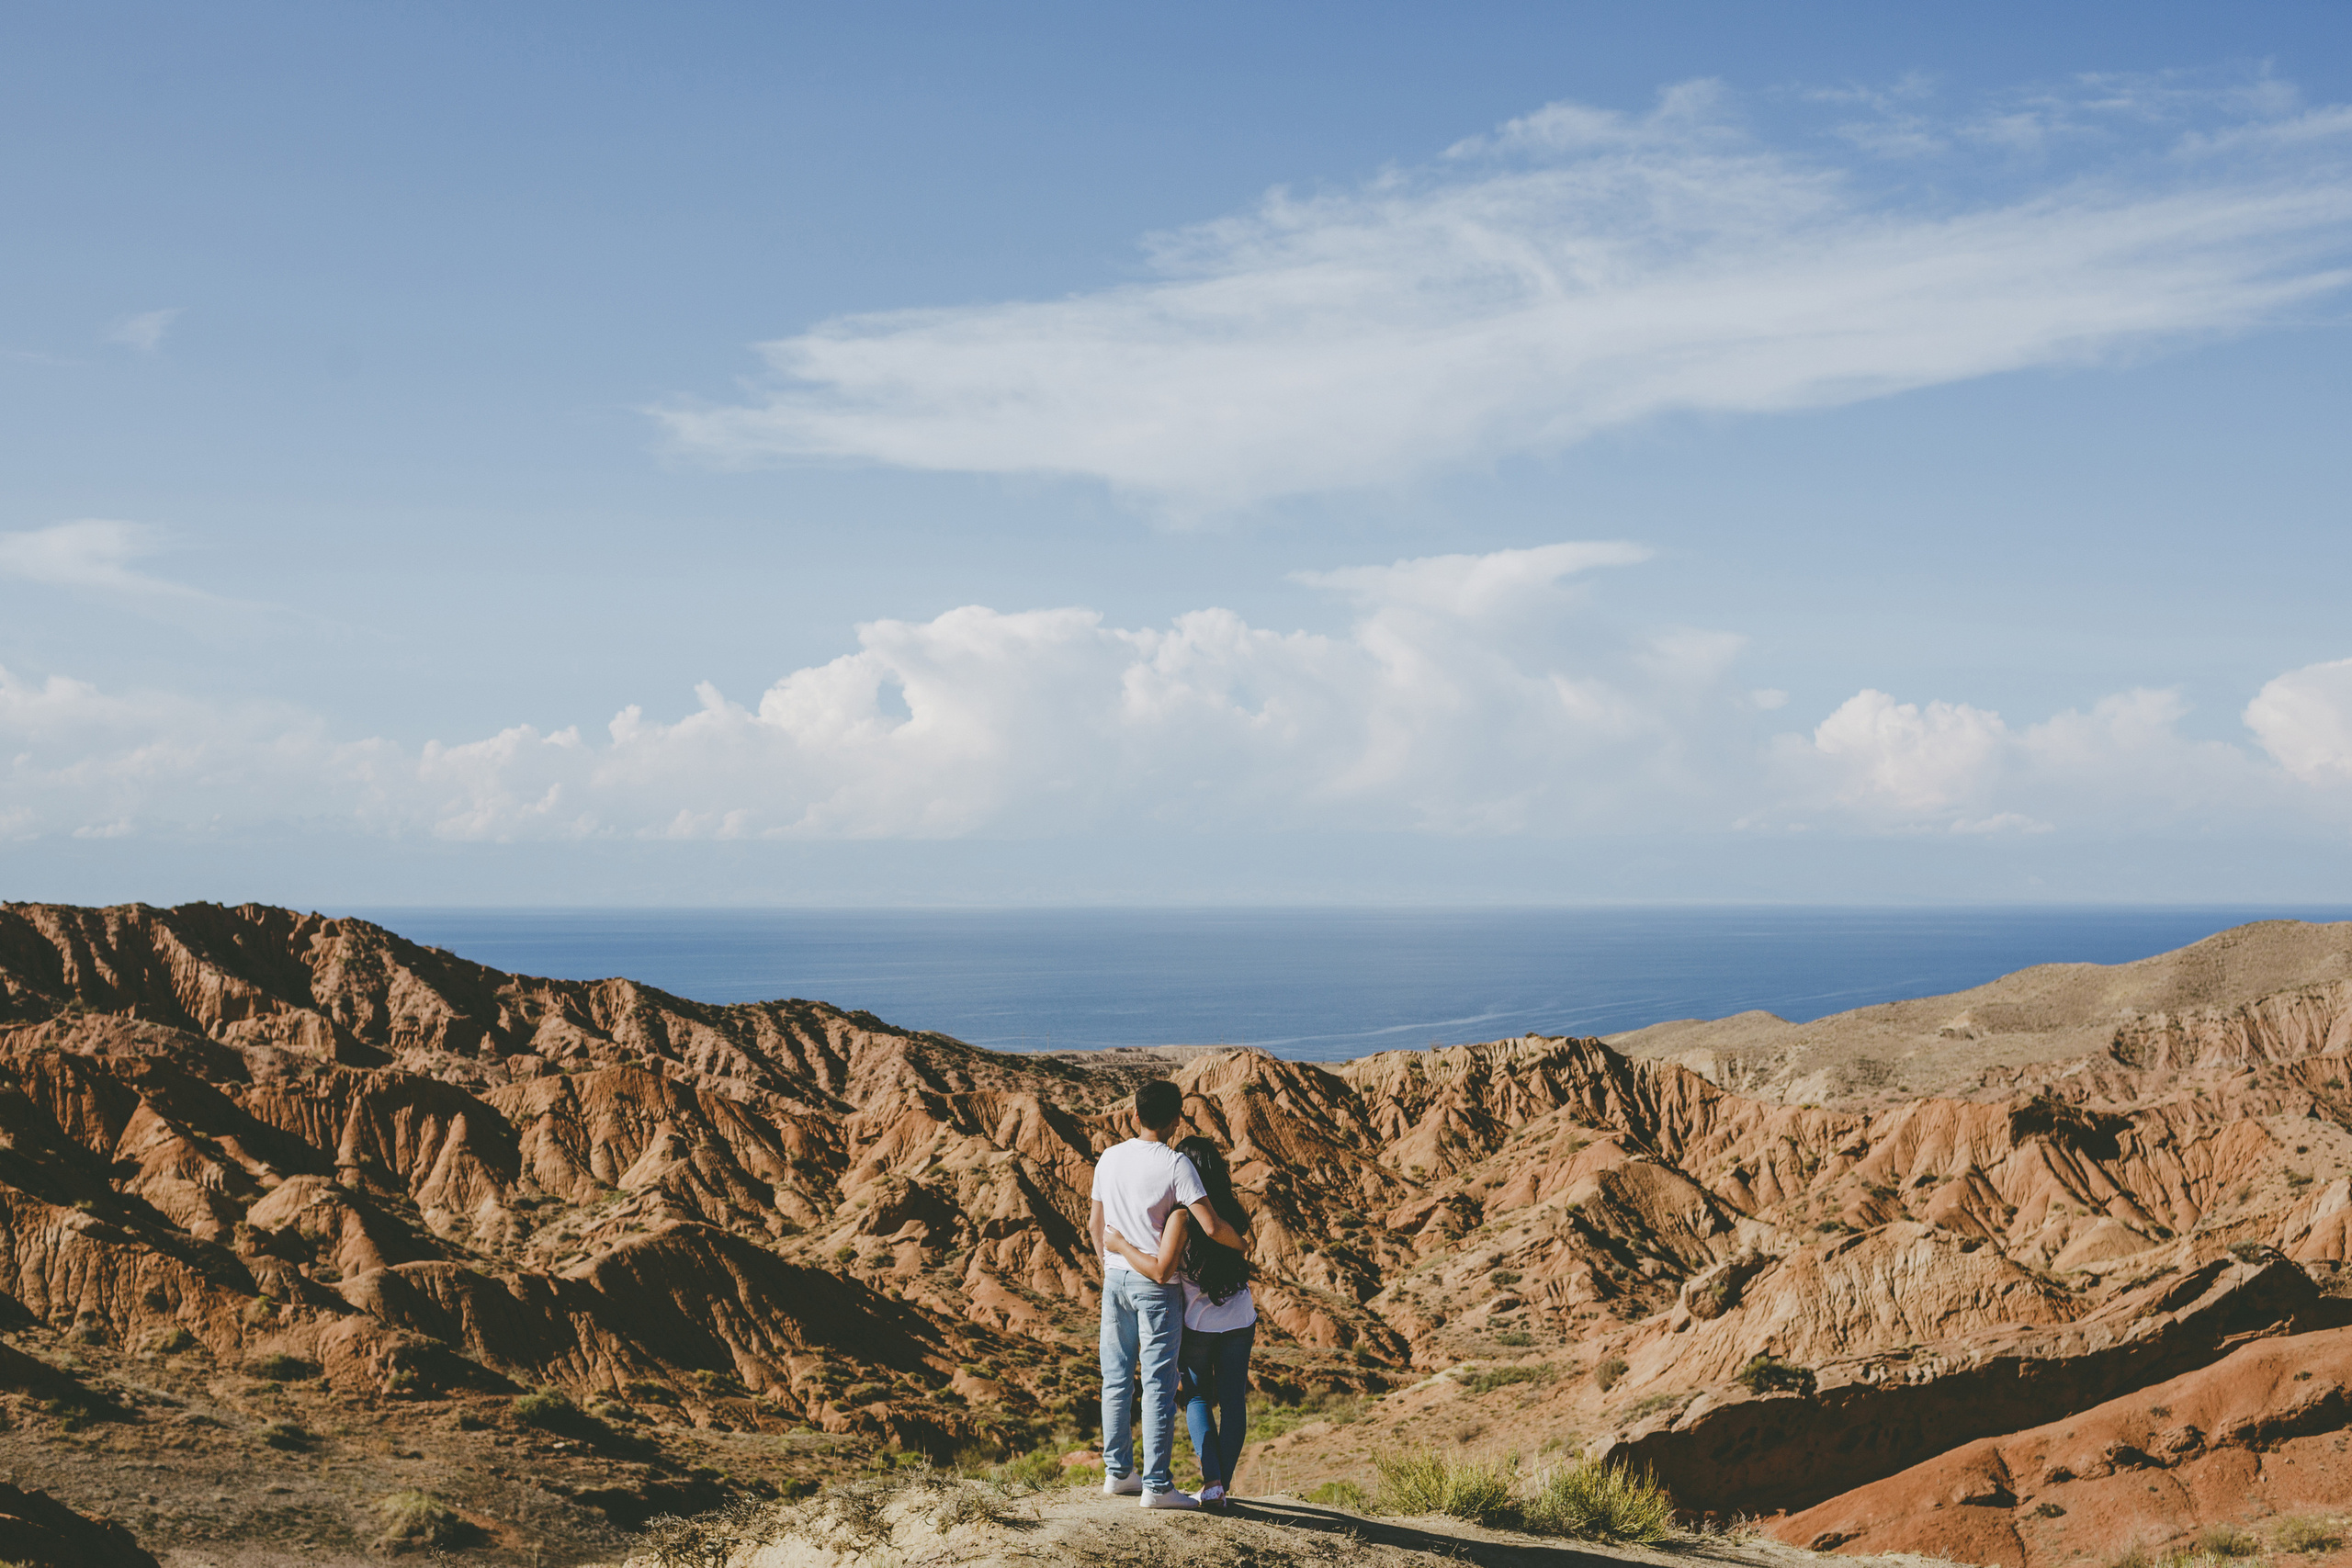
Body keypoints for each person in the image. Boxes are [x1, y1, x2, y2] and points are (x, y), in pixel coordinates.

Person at [1090, 1080, 1246, 1510]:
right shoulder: (1176, 1164)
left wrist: (1112, 1264)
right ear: (1176, 1120)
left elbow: (1095, 1226)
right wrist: (1243, 1246)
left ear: (1134, 1116)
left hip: (1115, 1279)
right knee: (1158, 1382)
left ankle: (1118, 1472)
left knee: (1116, 1376)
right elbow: (1211, 1226)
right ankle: (1156, 1485)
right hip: (1158, 1288)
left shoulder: (1110, 1157)